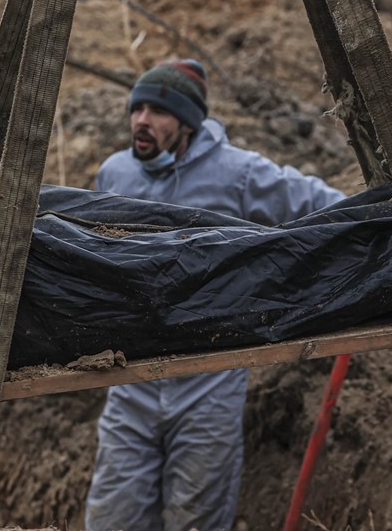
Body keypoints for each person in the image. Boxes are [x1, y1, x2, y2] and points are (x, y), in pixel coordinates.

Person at [85, 58, 344, 531]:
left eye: (157, 112)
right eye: (137, 108)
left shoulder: (238, 173)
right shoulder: (115, 175)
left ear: (187, 122)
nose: (141, 121)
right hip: (131, 381)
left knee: (196, 520)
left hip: (208, 381)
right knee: (113, 518)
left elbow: (323, 205)